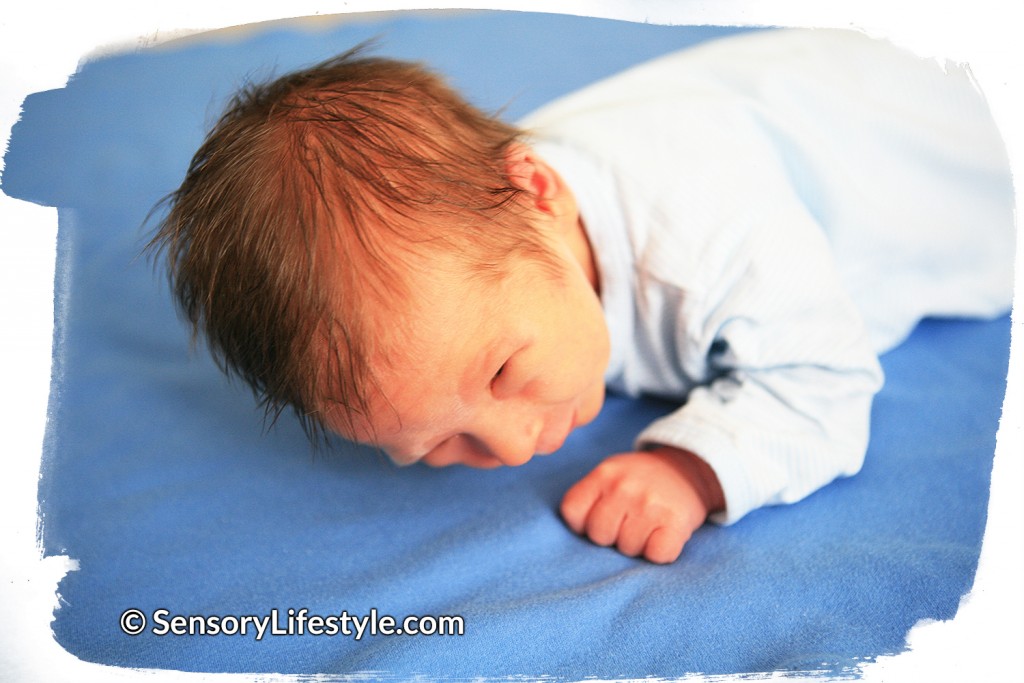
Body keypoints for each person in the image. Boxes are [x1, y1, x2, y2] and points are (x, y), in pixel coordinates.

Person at [149, 28, 1015, 564]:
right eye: (436, 445)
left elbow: (824, 379)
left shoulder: (709, 245)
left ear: (537, 191)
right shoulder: (491, 216)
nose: (515, 443)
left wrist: (690, 467)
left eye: (499, 370)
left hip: (966, 149)